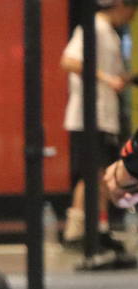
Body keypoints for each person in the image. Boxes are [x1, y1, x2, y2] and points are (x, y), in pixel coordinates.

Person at [59, 0, 137, 251]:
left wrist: (124, 78)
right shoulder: (93, 28)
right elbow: (69, 61)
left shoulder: (108, 33)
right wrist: (106, 78)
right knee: (95, 175)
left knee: (97, 174)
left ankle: (90, 228)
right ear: (122, 7)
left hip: (103, 115)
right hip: (89, 116)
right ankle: (81, 229)